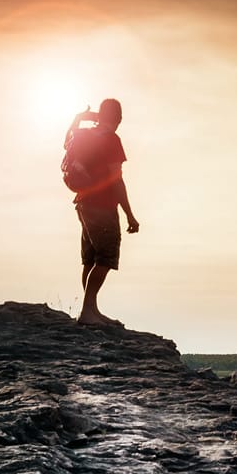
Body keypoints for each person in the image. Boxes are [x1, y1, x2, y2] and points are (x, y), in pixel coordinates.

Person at [66, 98, 139, 326]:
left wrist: (79, 119)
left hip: (84, 204)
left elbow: (66, 143)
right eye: (119, 116)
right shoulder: (111, 140)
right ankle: (88, 312)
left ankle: (91, 309)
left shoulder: (83, 134)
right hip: (102, 206)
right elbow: (116, 181)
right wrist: (129, 214)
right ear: (117, 118)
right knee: (105, 257)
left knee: (90, 258)